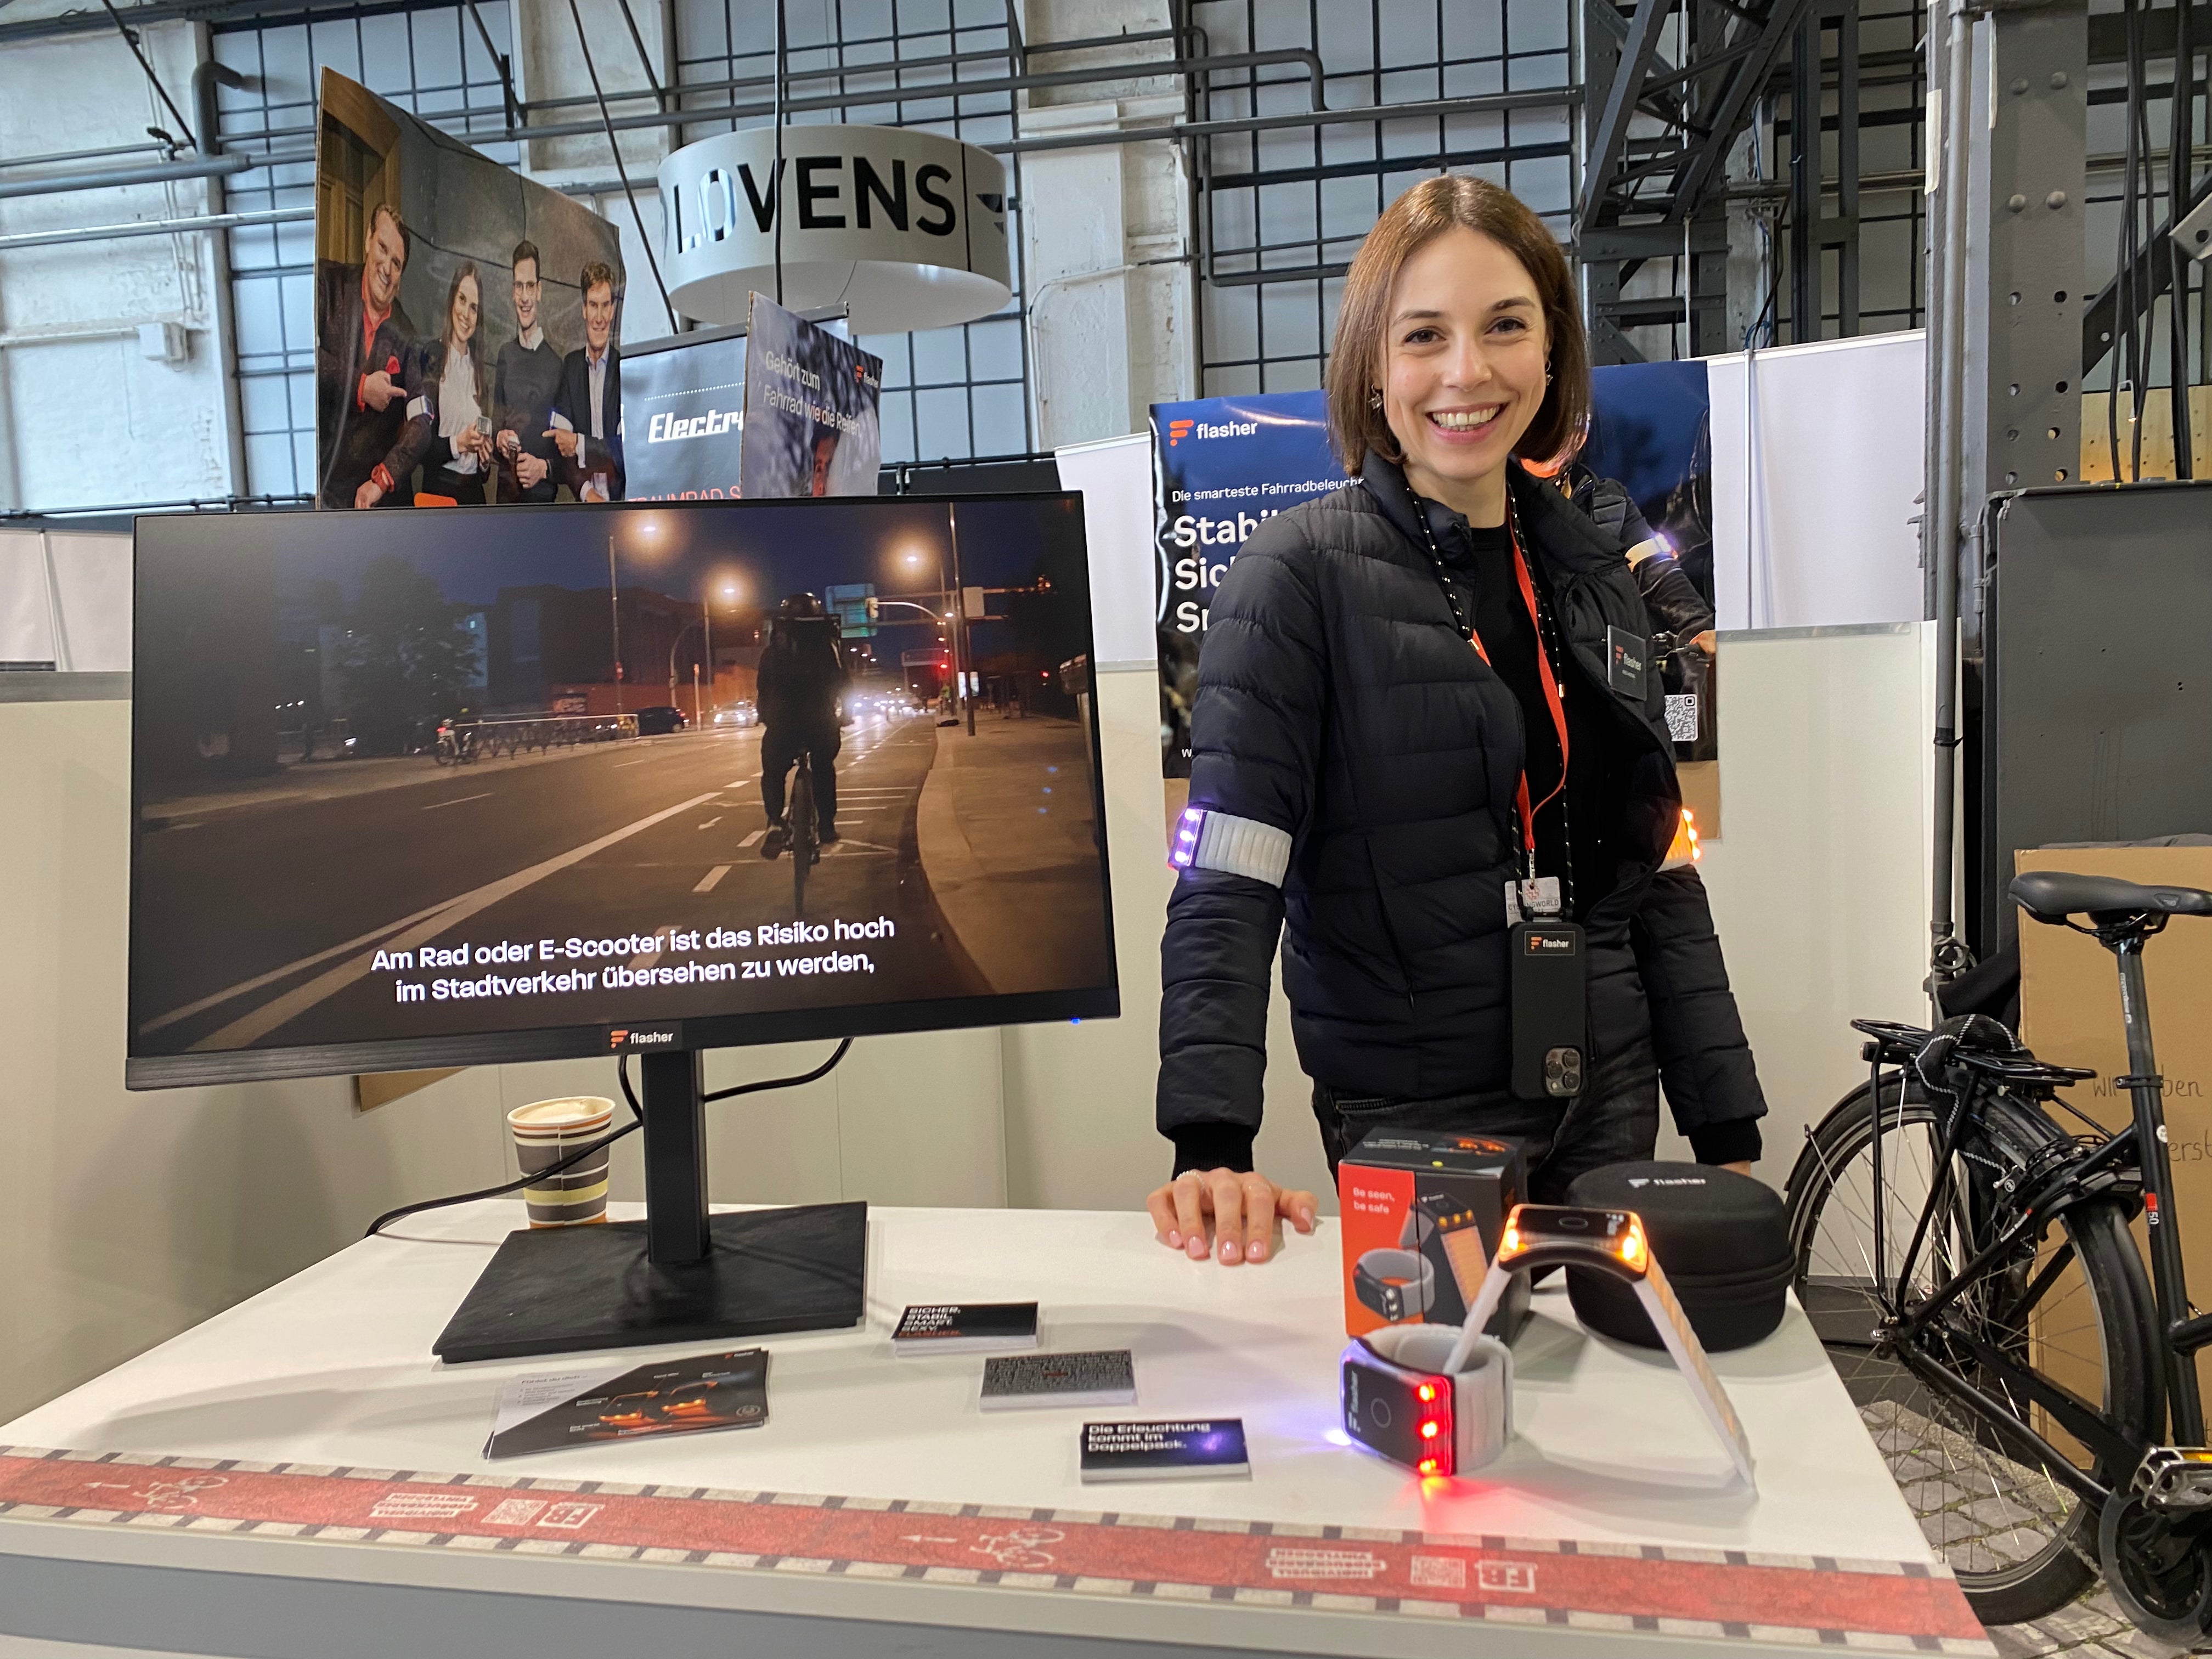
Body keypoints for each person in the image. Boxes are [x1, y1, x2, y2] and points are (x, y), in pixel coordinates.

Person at [1149, 174, 1767, 1267]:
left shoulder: (1595, 576)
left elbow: (1660, 859)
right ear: (1373, 370)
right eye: (1424, 335)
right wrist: (1212, 1139)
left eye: (1505, 328)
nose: (1467, 372)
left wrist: (1724, 1123)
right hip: (1417, 1113)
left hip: (1611, 1091)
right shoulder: (1295, 579)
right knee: (1448, 1425)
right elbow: (1230, 871)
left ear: (1550, 353)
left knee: (1614, 1404)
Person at [315, 202, 417, 510]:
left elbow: (422, 418)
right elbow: (302, 358)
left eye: (397, 263)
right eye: (383, 248)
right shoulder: (326, 283)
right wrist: (361, 387)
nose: (386, 268)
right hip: (320, 489)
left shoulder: (408, 333)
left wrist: (385, 478)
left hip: (373, 499)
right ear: (368, 240)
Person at [757, 594, 848, 856]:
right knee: (823, 768)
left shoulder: (774, 649)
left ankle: (775, 821)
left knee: (773, 770)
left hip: (783, 724)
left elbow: (763, 687)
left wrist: (765, 717)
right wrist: (846, 714)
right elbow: (843, 682)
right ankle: (827, 826)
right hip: (821, 723)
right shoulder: (828, 646)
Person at [398, 262, 494, 504]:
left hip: (474, 496)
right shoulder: (430, 356)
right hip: (438, 492)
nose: (466, 314)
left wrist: (484, 461)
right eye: (462, 300)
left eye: (474, 308)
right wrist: (459, 443)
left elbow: (484, 475)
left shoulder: (480, 372)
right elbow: (420, 446)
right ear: (452, 299)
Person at [493, 240, 564, 505]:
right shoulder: (505, 355)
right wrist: (498, 437)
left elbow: (566, 454)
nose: (525, 297)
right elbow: (494, 425)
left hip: (542, 506)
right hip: (504, 504)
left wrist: (542, 468)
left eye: (530, 286)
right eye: (519, 286)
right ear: (513, 291)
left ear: (540, 291)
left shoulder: (557, 366)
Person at [550, 261, 624, 502]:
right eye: (593, 305)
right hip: (583, 508)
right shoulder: (570, 367)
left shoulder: (626, 369)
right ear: (584, 309)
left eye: (605, 306)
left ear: (613, 310)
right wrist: (587, 493)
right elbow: (560, 447)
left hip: (623, 505)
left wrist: (579, 444)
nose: (600, 317)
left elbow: (623, 452)